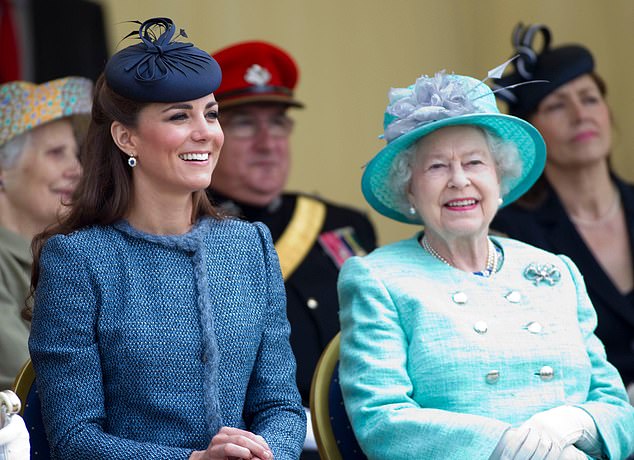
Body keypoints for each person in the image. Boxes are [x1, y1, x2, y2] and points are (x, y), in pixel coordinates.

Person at [27, 17, 305, 459]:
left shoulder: (250, 245)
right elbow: (73, 436)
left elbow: (280, 406)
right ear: (126, 137)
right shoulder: (77, 259)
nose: (206, 133)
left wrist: (265, 453)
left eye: (211, 114)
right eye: (180, 116)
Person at [337, 68, 634, 459]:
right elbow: (382, 421)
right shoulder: (379, 278)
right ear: (409, 187)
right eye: (436, 166)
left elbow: (618, 411)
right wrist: (508, 447)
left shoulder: (556, 270)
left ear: (500, 176)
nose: (459, 180)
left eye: (475, 163)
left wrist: (575, 423)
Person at [206, 40, 376, 458]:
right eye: (245, 124)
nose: (268, 143)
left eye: (279, 123)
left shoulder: (341, 225)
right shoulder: (186, 230)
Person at [490, 23, 634, 402]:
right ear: (530, 133)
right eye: (556, 105)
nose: (579, 114)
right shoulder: (510, 234)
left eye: (589, 99)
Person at [0, 76, 92, 390]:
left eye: (73, 153)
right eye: (55, 153)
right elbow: (27, 370)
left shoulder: (64, 254)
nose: (76, 170)